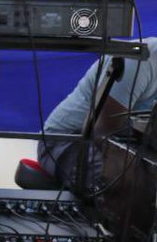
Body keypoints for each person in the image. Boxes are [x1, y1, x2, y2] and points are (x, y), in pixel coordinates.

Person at [38, 38, 157, 191]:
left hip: (130, 145)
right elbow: (102, 131)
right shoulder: (142, 59)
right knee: (132, 186)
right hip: (68, 141)